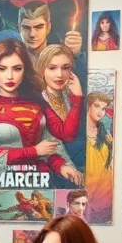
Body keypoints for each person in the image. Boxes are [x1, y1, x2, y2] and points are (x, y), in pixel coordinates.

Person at [0, 38, 80, 189]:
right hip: (1, 192)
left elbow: (50, 148)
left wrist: (62, 166)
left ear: (25, 70)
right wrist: (33, 151)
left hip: (39, 188)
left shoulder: (37, 105)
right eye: (2, 69)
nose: (10, 76)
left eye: (17, 69)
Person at [37, 44, 85, 180]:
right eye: (52, 68)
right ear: (42, 70)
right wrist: (77, 99)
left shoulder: (69, 94)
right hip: (53, 169)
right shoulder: (38, 102)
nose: (59, 74)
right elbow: (67, 135)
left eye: (65, 68)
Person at [84, 92, 114, 213]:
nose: (100, 112)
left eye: (103, 108)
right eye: (96, 106)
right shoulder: (78, 131)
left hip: (105, 190)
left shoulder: (105, 133)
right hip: (86, 190)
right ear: (88, 106)